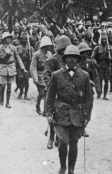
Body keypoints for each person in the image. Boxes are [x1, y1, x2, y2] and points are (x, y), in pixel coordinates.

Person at [45, 45, 93, 174]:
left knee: (74, 143)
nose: (72, 60)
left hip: (77, 114)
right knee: (62, 142)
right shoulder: (56, 75)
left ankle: (71, 169)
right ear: (64, 59)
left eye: (75, 58)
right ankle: (63, 167)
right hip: (61, 113)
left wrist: (87, 116)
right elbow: (50, 96)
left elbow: (89, 98)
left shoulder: (84, 76)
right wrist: (49, 113)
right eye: (69, 57)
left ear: (78, 60)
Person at [44, 35, 72, 149]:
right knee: (53, 115)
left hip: (65, 92)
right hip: (54, 91)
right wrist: (51, 85)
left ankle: (58, 138)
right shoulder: (53, 59)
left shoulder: (70, 59)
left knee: (63, 116)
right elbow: (46, 74)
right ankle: (51, 138)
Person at [0, 32, 25, 108]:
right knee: (2, 85)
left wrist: (22, 67)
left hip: (11, 67)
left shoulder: (13, 48)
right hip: (2, 67)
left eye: (10, 38)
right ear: (4, 39)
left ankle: (7, 102)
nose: (9, 40)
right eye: (7, 38)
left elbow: (18, 58)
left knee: (9, 86)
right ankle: (1, 98)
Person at [31, 36, 53, 115]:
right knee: (42, 93)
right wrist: (35, 78)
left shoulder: (50, 54)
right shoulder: (36, 54)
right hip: (39, 75)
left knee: (47, 93)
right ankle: (37, 105)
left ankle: (45, 110)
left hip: (47, 76)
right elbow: (33, 67)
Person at [91, 32, 112, 100]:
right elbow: (93, 57)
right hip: (99, 66)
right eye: (103, 39)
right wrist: (96, 63)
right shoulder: (97, 48)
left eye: (105, 39)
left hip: (107, 66)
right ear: (101, 40)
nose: (104, 41)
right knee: (100, 80)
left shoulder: (110, 48)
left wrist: (111, 58)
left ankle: (104, 95)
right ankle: (99, 93)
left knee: (106, 81)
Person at [16, 32, 33, 100]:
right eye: (23, 39)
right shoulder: (18, 48)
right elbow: (16, 57)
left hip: (27, 65)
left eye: (26, 39)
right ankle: (20, 92)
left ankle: (25, 94)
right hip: (20, 66)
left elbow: (33, 57)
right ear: (20, 40)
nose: (25, 40)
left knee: (26, 81)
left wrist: (30, 56)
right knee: (20, 80)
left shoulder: (30, 48)